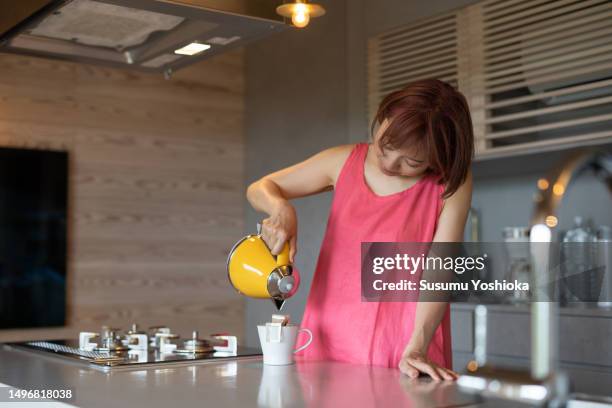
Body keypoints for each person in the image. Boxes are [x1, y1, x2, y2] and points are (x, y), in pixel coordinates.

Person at [247, 78, 474, 381]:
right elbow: (260, 188)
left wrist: (418, 346)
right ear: (382, 120)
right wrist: (281, 208)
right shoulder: (343, 161)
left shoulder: (449, 185)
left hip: (406, 345)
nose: (391, 164)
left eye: (412, 161)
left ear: (439, 158)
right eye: (386, 147)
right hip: (330, 336)